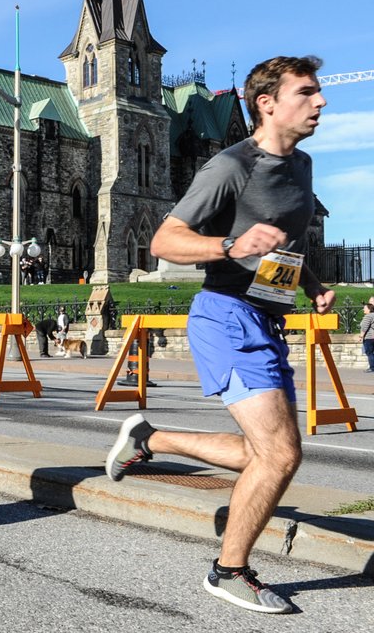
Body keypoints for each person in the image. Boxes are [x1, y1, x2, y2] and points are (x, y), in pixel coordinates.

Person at [106, 55, 332, 615]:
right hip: (227, 316)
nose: (320, 101)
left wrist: (310, 282)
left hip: (268, 318)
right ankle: (229, 571)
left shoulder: (301, 166)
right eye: (307, 93)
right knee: (280, 455)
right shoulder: (230, 167)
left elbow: (281, 242)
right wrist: (228, 247)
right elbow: (164, 241)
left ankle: (148, 440)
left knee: (267, 453)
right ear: (267, 102)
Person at [359, 302, 374, 373]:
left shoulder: (368, 316)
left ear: (369, 309)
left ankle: (372, 367)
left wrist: (361, 336)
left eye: (364, 308)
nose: (363, 309)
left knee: (369, 353)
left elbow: (364, 327)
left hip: (369, 338)